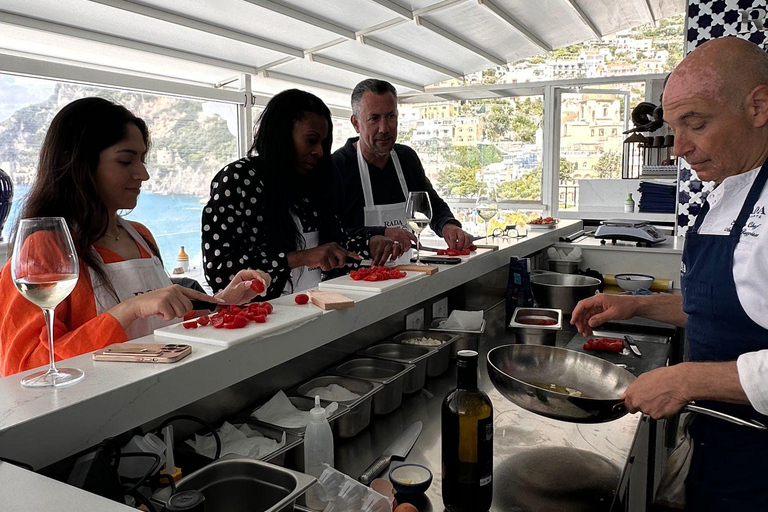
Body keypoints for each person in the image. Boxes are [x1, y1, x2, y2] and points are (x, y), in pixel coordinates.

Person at [571, 37, 768, 510]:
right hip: (719, 447)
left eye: (695, 124)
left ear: (758, 107)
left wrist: (686, 381)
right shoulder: (729, 188)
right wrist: (639, 305)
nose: (678, 148)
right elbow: (733, 306)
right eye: (674, 127)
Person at [0, 98, 269, 377]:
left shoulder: (141, 235)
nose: (143, 174)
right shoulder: (43, 248)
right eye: (125, 160)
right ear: (76, 162)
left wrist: (222, 305)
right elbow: (24, 369)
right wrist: (128, 310)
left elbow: (161, 328)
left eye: (141, 160)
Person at [202, 89, 397, 299]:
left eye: (323, 143)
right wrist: (299, 258)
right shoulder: (239, 180)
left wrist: (368, 243)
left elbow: (331, 244)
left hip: (316, 309)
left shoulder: (316, 181)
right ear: (282, 136)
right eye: (311, 141)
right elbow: (221, 273)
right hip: (263, 318)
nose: (320, 152)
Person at [332, 79, 474, 260]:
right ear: (356, 123)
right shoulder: (337, 167)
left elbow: (430, 203)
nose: (384, 128)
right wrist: (381, 232)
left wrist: (448, 225)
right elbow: (333, 234)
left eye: (390, 116)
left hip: (405, 270)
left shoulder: (406, 158)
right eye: (374, 119)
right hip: (355, 278)